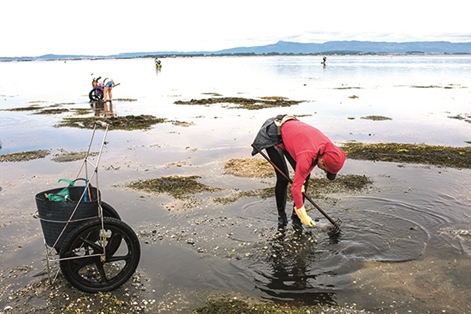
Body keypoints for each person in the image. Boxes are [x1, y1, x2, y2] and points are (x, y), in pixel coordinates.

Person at [251, 115, 346, 228]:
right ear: (322, 160)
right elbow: (295, 187)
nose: (324, 171)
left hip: (294, 136)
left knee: (305, 177)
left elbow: (305, 172)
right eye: (325, 169)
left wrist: (301, 180)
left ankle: (295, 216)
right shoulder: (307, 154)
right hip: (274, 132)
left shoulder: (329, 149)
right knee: (283, 178)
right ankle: (282, 216)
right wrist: (303, 213)